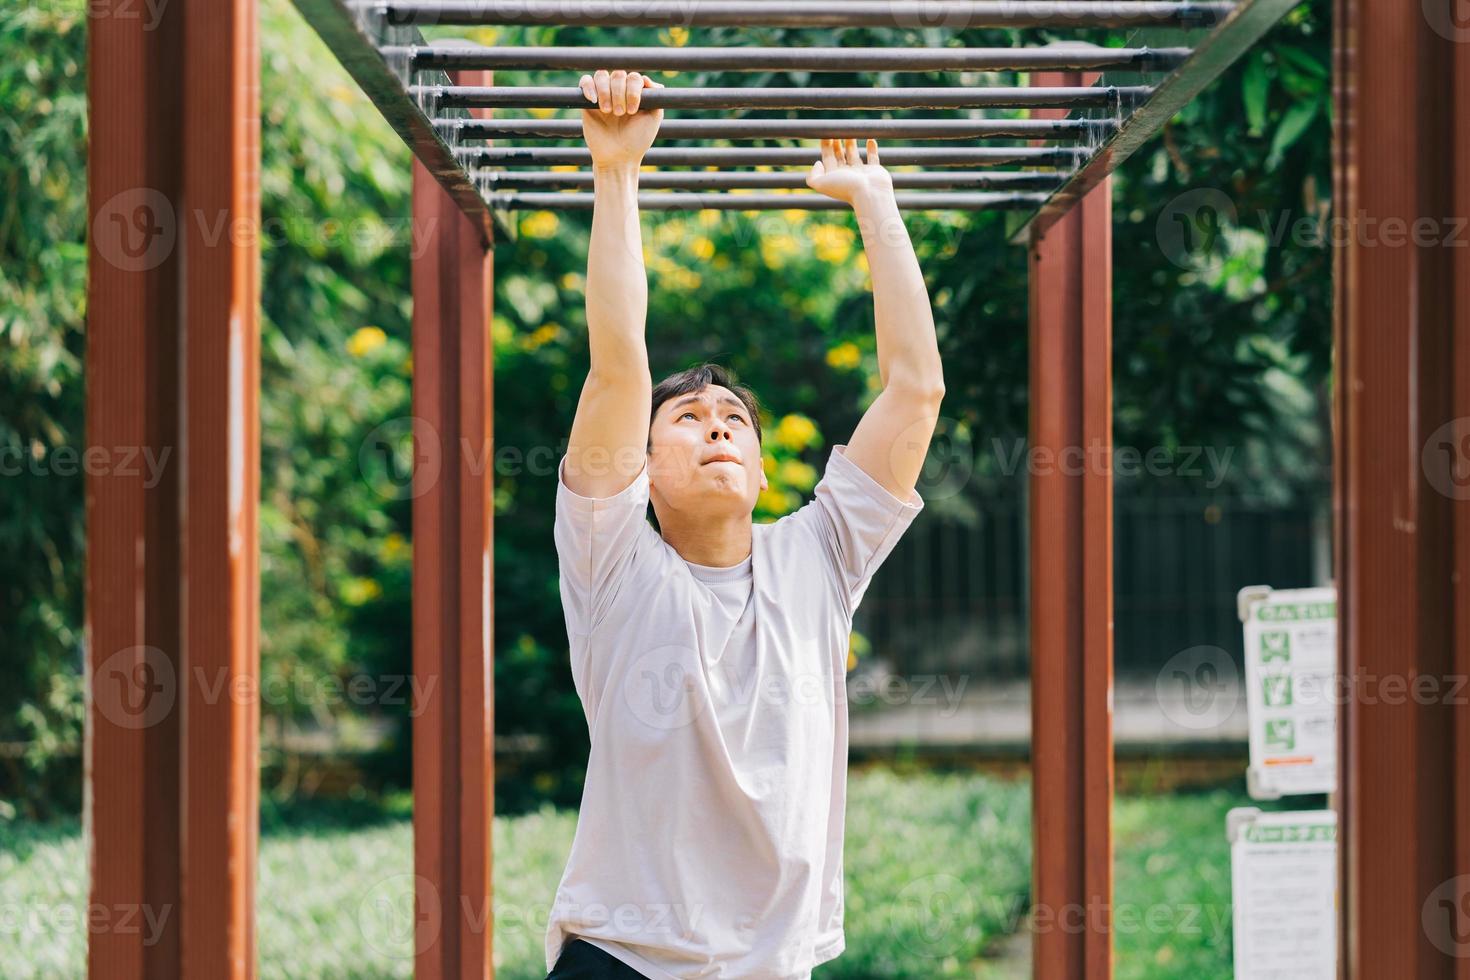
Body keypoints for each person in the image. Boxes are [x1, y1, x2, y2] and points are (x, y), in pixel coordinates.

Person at [544, 68, 945, 980]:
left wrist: (875, 200)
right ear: (640, 470)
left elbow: (915, 389)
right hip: (625, 960)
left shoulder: (822, 556)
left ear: (763, 470)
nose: (716, 423)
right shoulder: (613, 562)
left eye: (733, 418)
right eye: (686, 419)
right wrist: (615, 173)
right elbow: (616, 370)